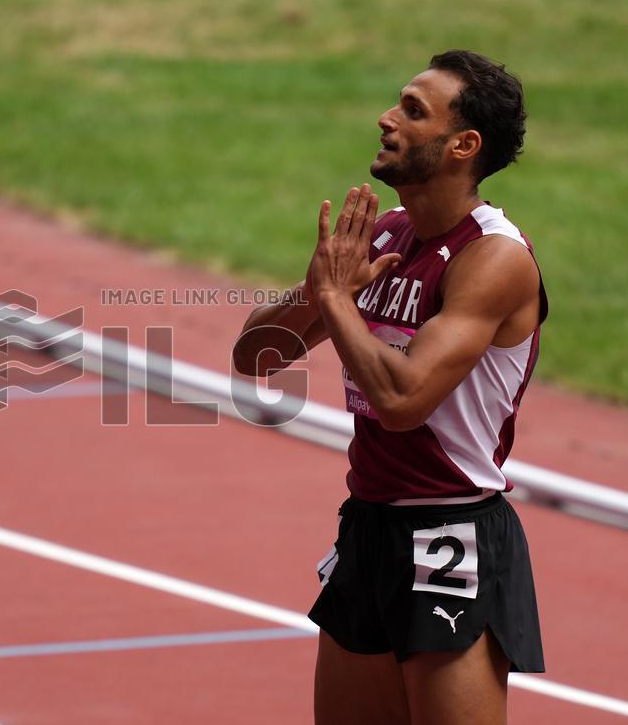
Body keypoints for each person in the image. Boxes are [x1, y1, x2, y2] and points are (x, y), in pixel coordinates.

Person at [233, 50, 547, 724]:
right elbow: (256, 356)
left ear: (464, 145)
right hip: (369, 525)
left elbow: (402, 404)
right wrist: (316, 294)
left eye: (412, 111)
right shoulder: (385, 237)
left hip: (451, 529)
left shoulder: (493, 259)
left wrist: (337, 302)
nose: (386, 119)